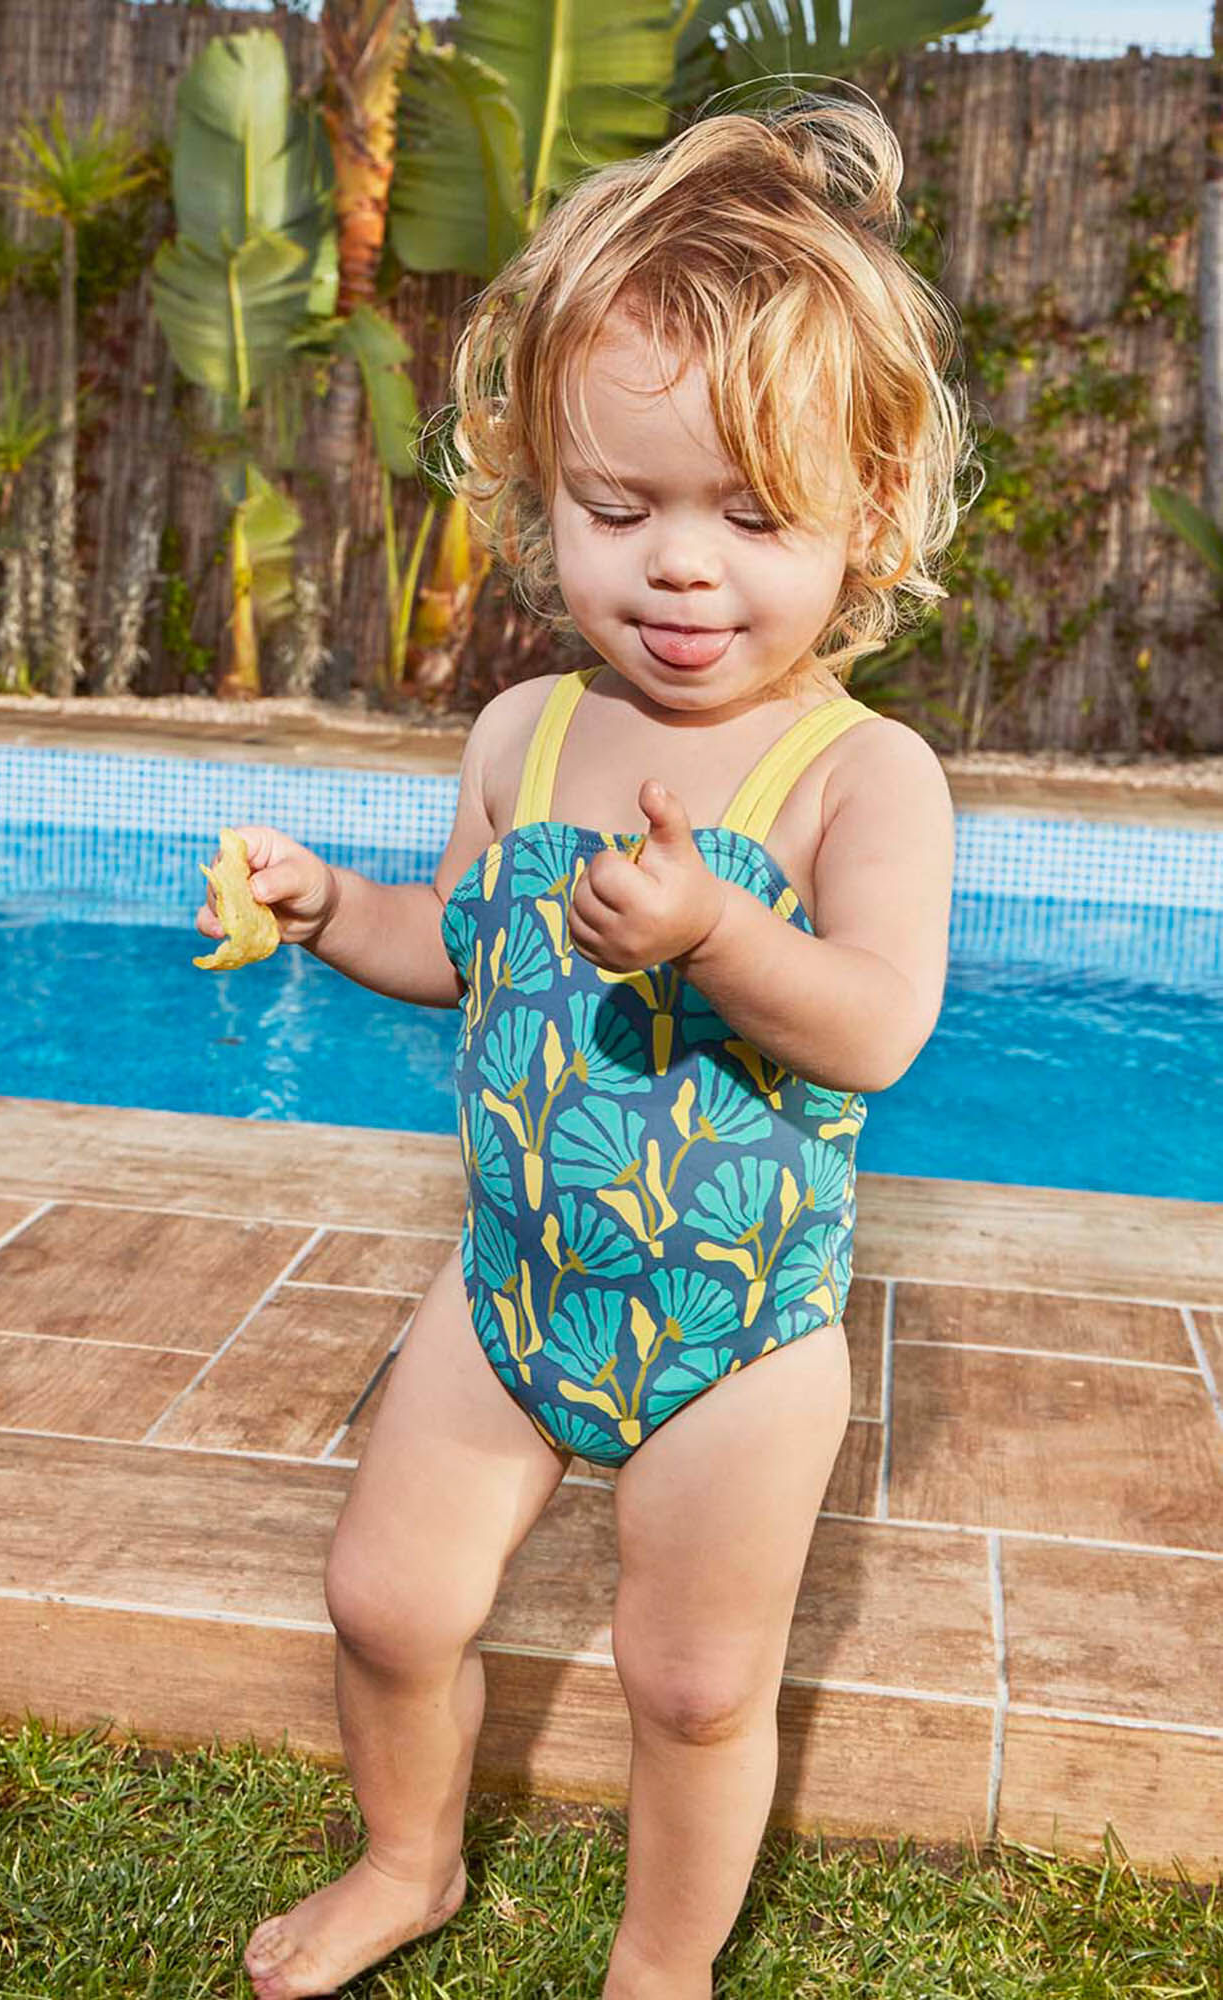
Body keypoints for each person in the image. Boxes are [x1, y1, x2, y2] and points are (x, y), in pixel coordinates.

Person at [200, 83, 978, 2000]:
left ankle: (660, 1969)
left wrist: (721, 930)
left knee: (693, 1682)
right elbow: (458, 948)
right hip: (517, 1276)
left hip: (735, 1329)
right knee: (385, 1598)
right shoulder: (526, 738)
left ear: (869, 514)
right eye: (618, 508)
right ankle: (407, 1860)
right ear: (541, 486)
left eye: (750, 514)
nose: (679, 568)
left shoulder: (853, 774)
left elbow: (875, 1031)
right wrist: (330, 913)